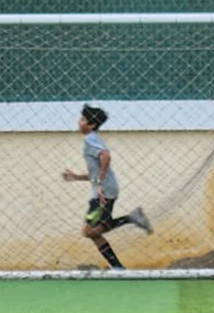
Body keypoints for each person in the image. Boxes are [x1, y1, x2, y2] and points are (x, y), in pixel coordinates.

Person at [61, 105, 151, 269]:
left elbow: (106, 156)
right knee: (96, 232)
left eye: (83, 120)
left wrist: (101, 181)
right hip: (105, 190)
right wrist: (76, 177)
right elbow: (95, 171)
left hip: (103, 193)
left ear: (92, 125)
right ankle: (118, 266)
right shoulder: (92, 139)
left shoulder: (90, 139)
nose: (79, 122)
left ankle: (131, 219)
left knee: (90, 231)